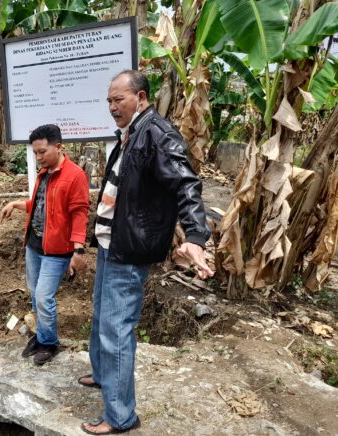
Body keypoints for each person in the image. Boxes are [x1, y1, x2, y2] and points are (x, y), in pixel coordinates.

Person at [79, 70, 214, 435]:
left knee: (116, 329)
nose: (112, 107)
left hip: (131, 247)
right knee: (101, 316)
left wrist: (196, 236)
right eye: (108, 100)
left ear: (141, 97)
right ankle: (105, 375)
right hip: (112, 241)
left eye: (118, 99)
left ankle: (121, 416)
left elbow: (186, 184)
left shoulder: (156, 133)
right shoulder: (131, 133)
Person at [0, 124, 90, 366]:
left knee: (43, 296)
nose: (38, 157)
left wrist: (78, 250)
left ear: (58, 147)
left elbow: (79, 214)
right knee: (34, 292)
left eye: (42, 152)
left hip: (57, 251)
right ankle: (40, 337)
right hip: (34, 246)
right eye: (35, 153)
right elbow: (40, 205)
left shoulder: (74, 176)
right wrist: (16, 204)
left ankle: (49, 343)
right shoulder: (44, 173)